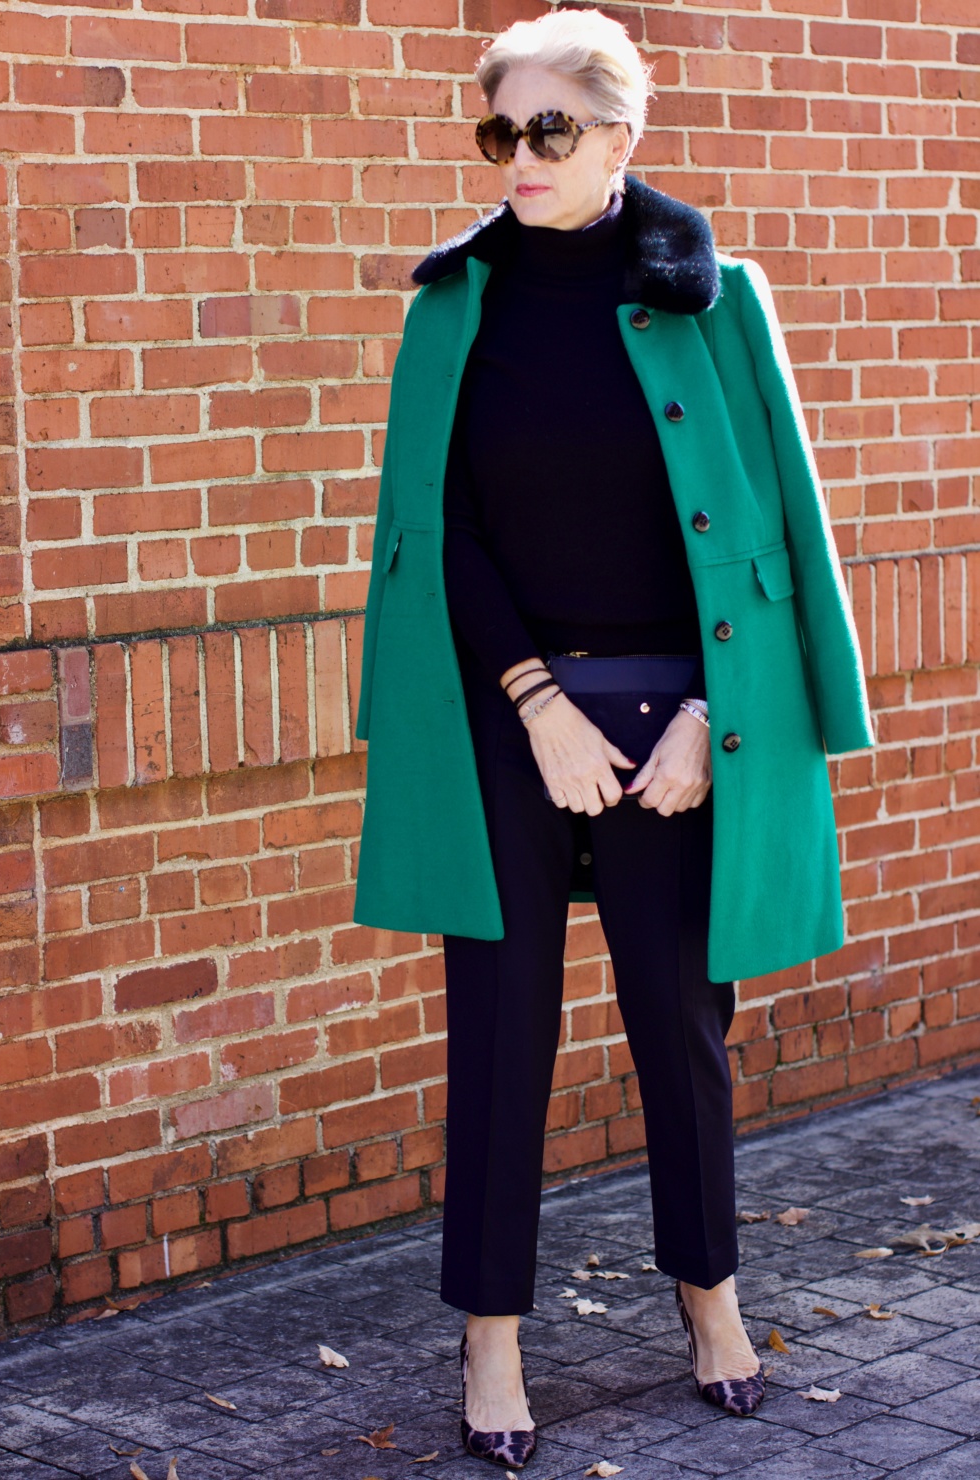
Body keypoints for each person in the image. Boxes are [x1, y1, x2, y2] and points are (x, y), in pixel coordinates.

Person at [352, 8, 874, 1467]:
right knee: (499, 1035)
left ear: (620, 136)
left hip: (681, 725)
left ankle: (713, 1305)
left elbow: (771, 529)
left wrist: (711, 716)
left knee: (682, 1030)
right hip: (508, 719)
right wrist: (536, 705)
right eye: (498, 131)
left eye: (549, 128)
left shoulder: (718, 301)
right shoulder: (453, 309)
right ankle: (491, 1341)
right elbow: (436, 533)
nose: (519, 156)